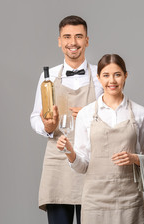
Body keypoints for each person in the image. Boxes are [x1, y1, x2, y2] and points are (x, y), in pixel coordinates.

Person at [56, 54, 144, 224]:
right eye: (106, 75)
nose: (112, 81)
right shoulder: (86, 114)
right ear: (98, 78)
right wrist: (70, 152)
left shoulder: (140, 113)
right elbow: (82, 166)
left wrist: (134, 158)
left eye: (117, 74)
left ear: (125, 76)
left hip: (129, 198)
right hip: (95, 200)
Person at [30, 15, 103, 224]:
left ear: (87, 40)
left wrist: (92, 117)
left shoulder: (100, 75)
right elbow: (35, 116)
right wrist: (48, 128)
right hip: (57, 159)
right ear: (59, 41)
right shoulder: (48, 77)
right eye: (67, 37)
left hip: (91, 160)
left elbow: (113, 117)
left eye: (79, 36)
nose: (73, 42)